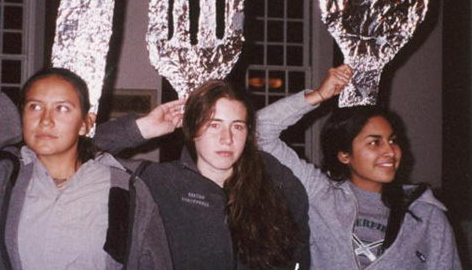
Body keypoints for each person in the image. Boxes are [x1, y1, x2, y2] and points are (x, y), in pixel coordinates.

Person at [0, 67, 181, 270]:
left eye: (62, 109)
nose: (45, 120)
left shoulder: (126, 188)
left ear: (86, 123)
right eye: (34, 107)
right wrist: (10, 119)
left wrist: (137, 129)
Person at [257, 64, 462, 269]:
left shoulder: (425, 214)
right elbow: (259, 133)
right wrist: (318, 95)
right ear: (344, 155)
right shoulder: (322, 195)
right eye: (374, 142)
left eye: (392, 140)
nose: (391, 151)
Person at [100, 79, 310, 270]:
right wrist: (142, 128)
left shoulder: (277, 183)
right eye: (214, 125)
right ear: (192, 130)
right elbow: (82, 155)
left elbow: (298, 259)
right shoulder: (158, 183)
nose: (226, 139)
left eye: (237, 127)